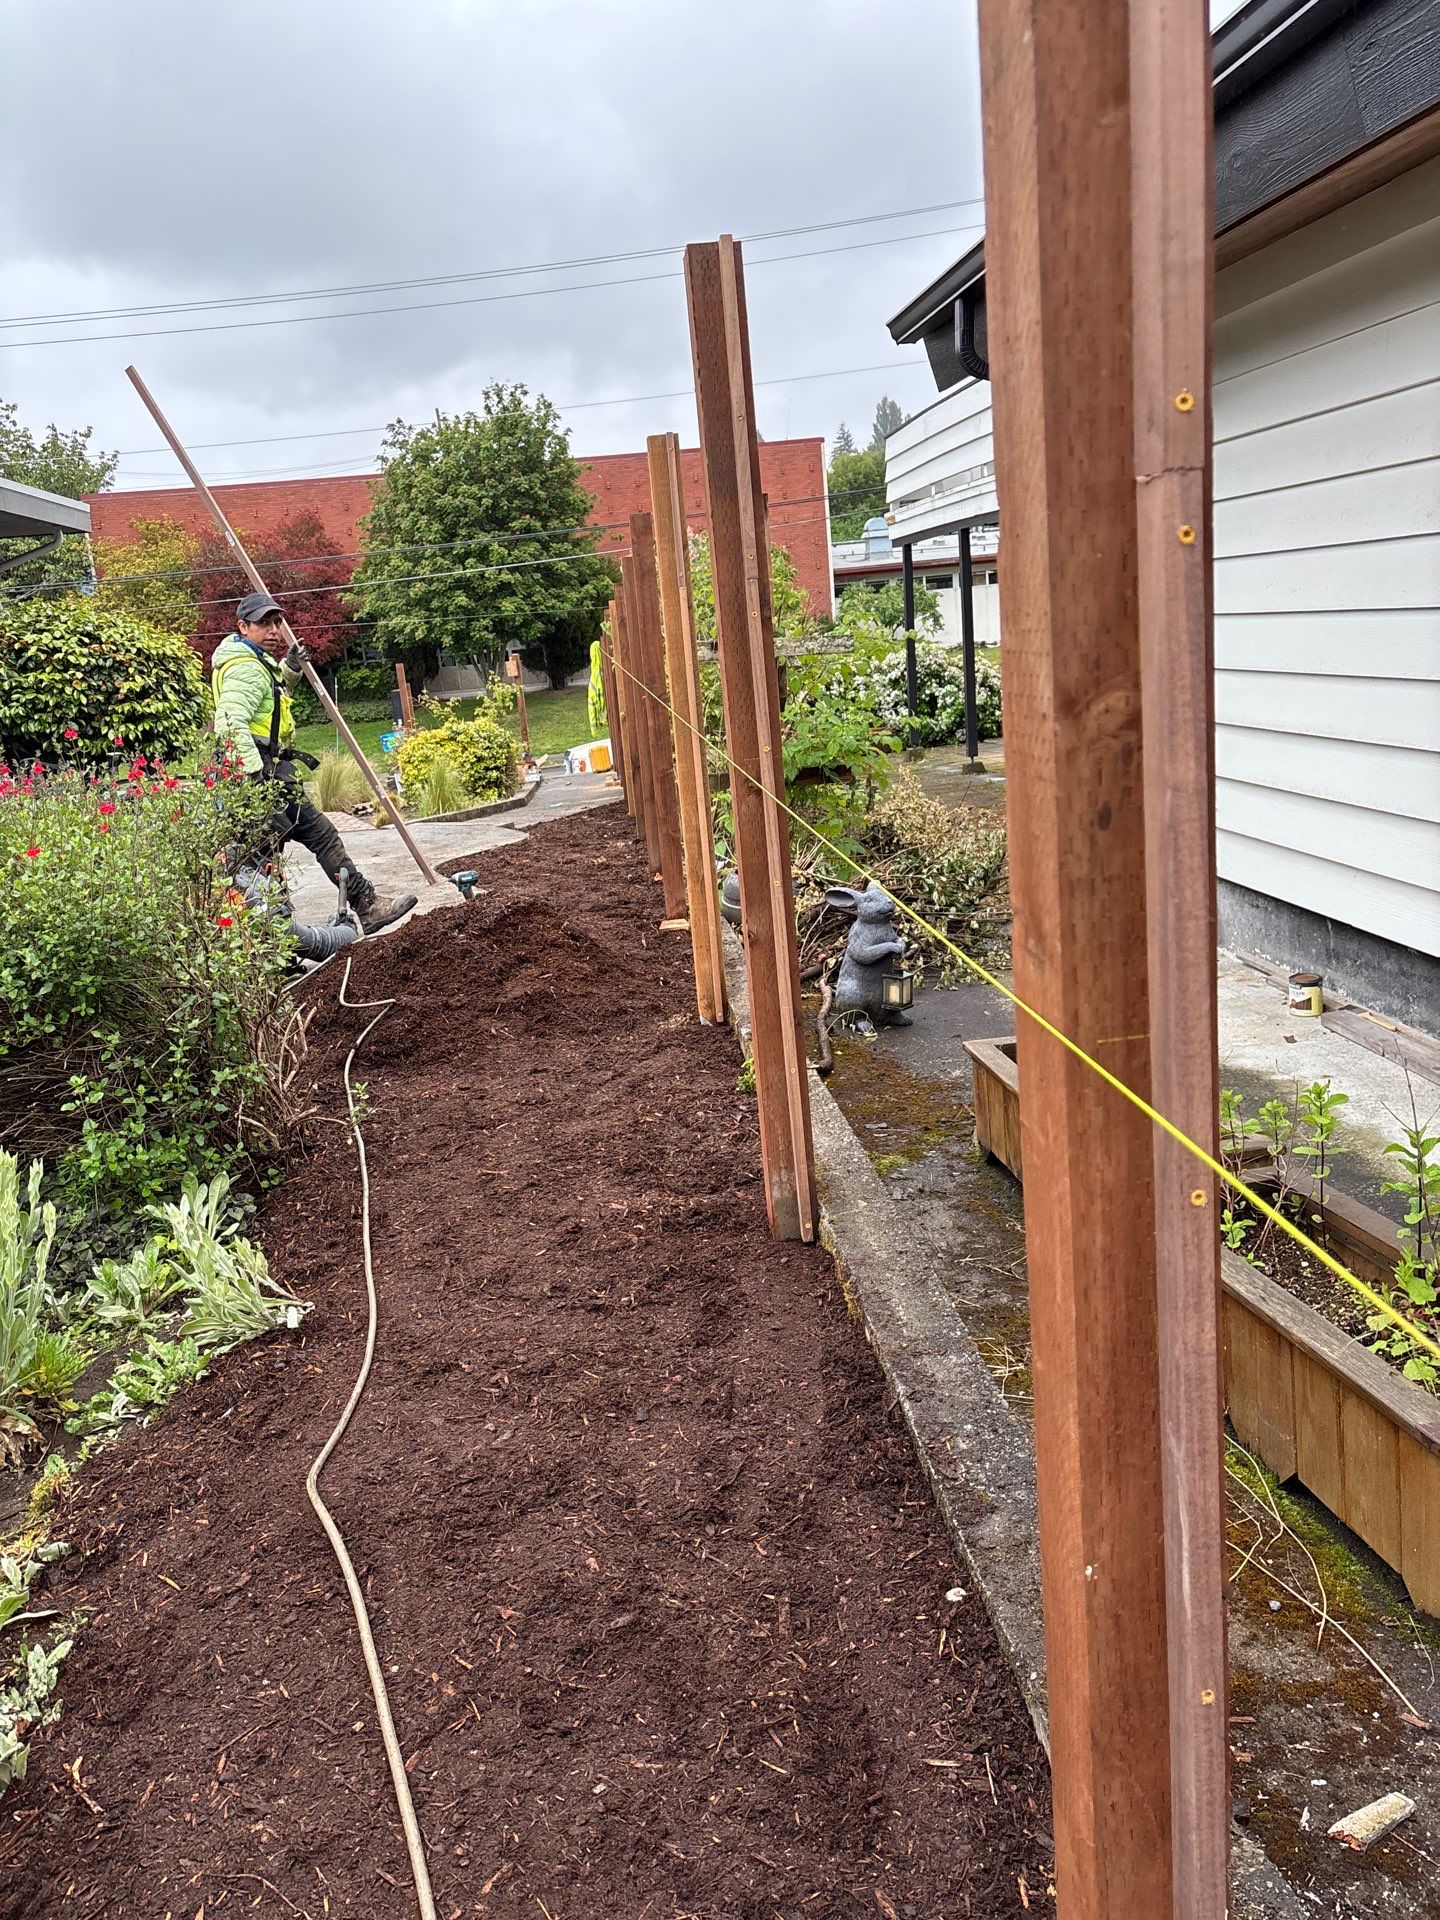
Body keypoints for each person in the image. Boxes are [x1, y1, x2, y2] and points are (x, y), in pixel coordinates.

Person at [211, 591, 416, 936]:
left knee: (267, 855)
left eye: (276, 622)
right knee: (283, 849)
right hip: (259, 775)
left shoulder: (251, 660)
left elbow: (269, 701)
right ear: (243, 627)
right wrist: (254, 777)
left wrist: (289, 668)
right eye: (264, 623)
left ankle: (276, 936)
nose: (274, 630)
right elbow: (230, 723)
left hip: (266, 772)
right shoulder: (245, 667)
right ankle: (357, 909)